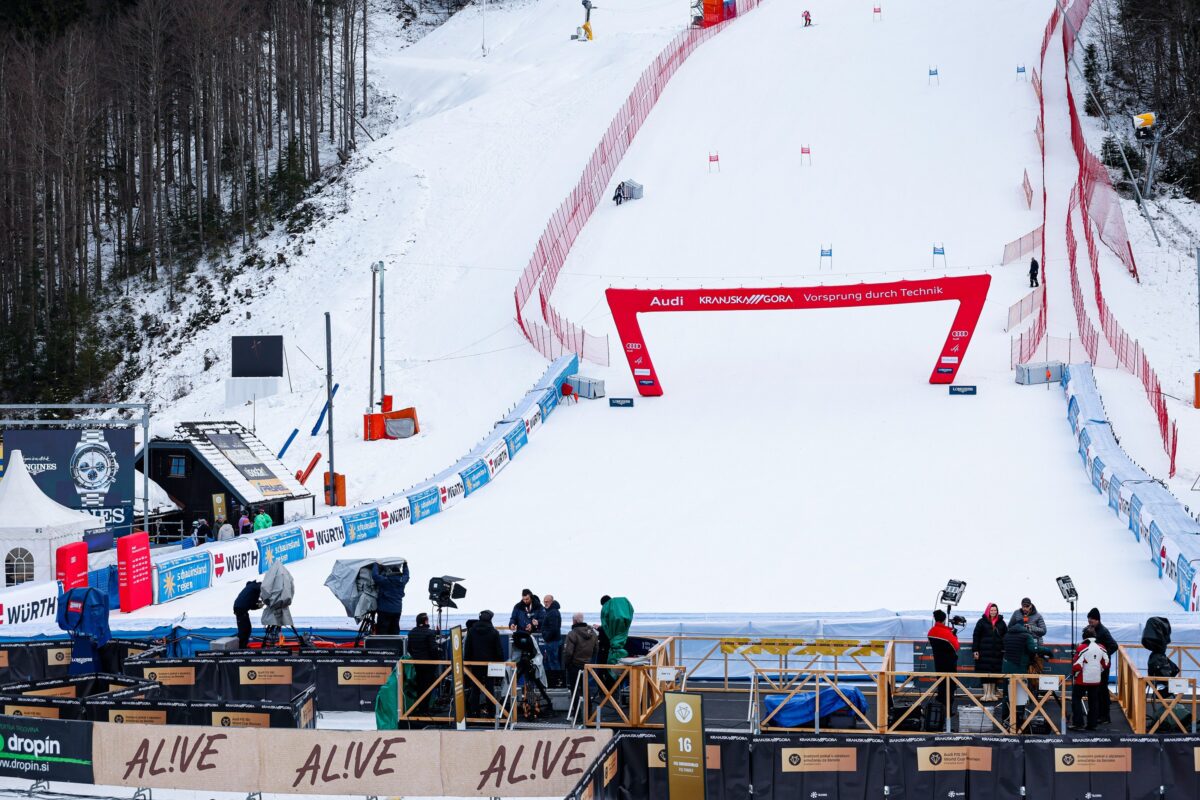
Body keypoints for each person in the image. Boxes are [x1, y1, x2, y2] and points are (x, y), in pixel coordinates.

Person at [464, 610, 504, 716]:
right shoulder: (494, 632)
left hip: (475, 664)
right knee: (489, 688)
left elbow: (467, 648)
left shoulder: (472, 631)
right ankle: (491, 713)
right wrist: (500, 664)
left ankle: (474, 712)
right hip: (490, 665)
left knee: (475, 689)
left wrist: (466, 663)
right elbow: (498, 651)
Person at [1070, 626, 1110, 731]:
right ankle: (1092, 724)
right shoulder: (1102, 647)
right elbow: (1106, 664)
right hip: (1096, 679)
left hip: (1082, 679)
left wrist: (1074, 673)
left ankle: (1078, 723)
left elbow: (1077, 665)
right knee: (1094, 701)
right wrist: (1099, 669)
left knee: (1076, 699)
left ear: (1084, 636)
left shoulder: (1082, 647)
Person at [512, 627, 553, 717]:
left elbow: (515, 654)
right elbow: (536, 652)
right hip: (528, 661)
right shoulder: (530, 638)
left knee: (514, 682)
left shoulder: (517, 638)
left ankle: (505, 704)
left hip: (524, 662)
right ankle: (547, 704)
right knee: (535, 682)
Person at [1088, 608, 1118, 724]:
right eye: (1089, 620)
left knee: (1102, 690)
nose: (1089, 622)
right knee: (1097, 690)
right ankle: (1098, 714)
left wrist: (1103, 655)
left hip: (1103, 665)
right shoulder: (1093, 629)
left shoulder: (1104, 631)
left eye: (1091, 620)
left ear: (1097, 620)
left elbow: (1114, 645)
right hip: (1095, 665)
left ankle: (1105, 716)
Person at [972, 603, 1007, 702]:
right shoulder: (981, 622)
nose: (993, 612)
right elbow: (976, 636)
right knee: (984, 672)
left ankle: (992, 694)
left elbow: (1005, 636)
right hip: (983, 652)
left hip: (997, 653)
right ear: (988, 611)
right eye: (991, 610)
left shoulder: (1001, 623)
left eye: (995, 610)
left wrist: (1004, 649)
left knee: (994, 673)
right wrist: (975, 650)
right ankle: (986, 694)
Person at [928, 610, 961, 709]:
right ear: (944, 619)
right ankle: (948, 710)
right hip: (949, 663)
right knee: (950, 686)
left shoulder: (931, 632)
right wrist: (954, 635)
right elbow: (956, 646)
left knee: (941, 684)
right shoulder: (947, 633)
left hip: (938, 662)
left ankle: (940, 708)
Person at [406, 613, 439, 713]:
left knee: (420, 686)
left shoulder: (411, 633)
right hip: (428, 664)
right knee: (428, 686)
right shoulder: (429, 633)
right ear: (425, 621)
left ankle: (420, 707)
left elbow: (409, 649)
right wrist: (436, 660)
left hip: (417, 664)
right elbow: (433, 649)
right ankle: (425, 708)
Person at [563, 611, 598, 696]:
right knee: (586, 688)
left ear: (574, 621)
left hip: (574, 665)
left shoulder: (572, 634)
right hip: (587, 664)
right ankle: (588, 707)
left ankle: (575, 707)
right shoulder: (593, 634)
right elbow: (596, 649)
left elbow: (568, 652)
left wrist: (566, 663)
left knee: (574, 688)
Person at [372, 561, 410, 636]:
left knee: (382, 632)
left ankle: (382, 646)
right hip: (397, 610)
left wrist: (375, 564)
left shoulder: (385, 580)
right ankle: (394, 646)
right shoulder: (402, 580)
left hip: (384, 610)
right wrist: (405, 565)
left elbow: (375, 576)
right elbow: (407, 575)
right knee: (394, 631)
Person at [233, 580, 263, 649]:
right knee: (244, 630)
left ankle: (243, 646)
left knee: (247, 629)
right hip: (241, 609)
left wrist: (258, 606)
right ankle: (242, 648)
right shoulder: (256, 588)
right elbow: (251, 604)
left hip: (241, 609)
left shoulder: (250, 589)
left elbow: (250, 605)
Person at [542, 594, 563, 688]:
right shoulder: (552, 611)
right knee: (551, 662)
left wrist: (546, 637)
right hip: (553, 641)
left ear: (552, 601)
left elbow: (553, 628)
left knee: (553, 662)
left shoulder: (553, 612)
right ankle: (554, 683)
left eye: (547, 601)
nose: (545, 603)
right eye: (544, 601)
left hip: (552, 641)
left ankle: (556, 683)